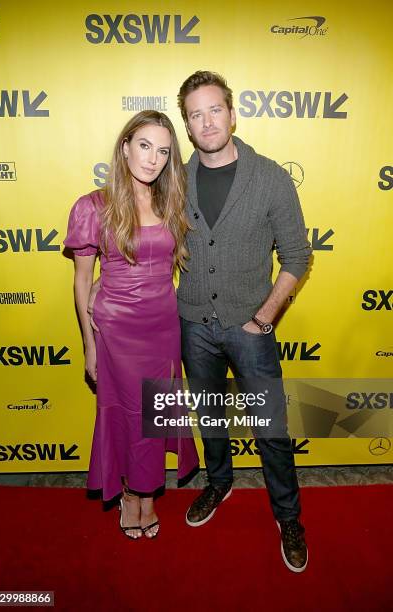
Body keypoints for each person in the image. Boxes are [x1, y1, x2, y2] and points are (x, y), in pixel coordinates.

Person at [176, 71, 312, 572]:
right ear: (187, 126)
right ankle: (219, 484)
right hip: (192, 322)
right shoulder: (176, 178)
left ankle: (289, 516)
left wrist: (264, 316)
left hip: (250, 326)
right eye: (196, 114)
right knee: (209, 415)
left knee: (270, 427)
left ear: (232, 113)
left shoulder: (270, 176)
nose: (207, 121)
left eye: (215, 110)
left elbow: (297, 255)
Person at [64, 111, 199, 540]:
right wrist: (88, 346)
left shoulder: (170, 201)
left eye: (163, 151)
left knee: (153, 417)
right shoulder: (93, 206)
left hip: (162, 329)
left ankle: (147, 496)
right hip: (116, 333)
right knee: (123, 417)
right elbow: (82, 280)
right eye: (144, 145)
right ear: (125, 147)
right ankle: (129, 495)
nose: (153, 158)